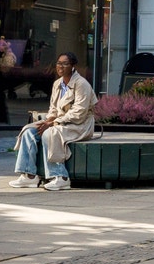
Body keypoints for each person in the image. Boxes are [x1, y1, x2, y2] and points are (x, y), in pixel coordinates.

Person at [8, 52, 97, 191]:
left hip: (80, 125)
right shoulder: (57, 84)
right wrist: (48, 120)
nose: (60, 66)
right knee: (29, 131)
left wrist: (53, 123)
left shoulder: (81, 84)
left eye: (65, 64)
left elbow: (79, 113)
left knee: (49, 134)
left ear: (73, 66)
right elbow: (54, 109)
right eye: (58, 63)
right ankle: (29, 176)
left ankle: (61, 177)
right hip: (59, 122)